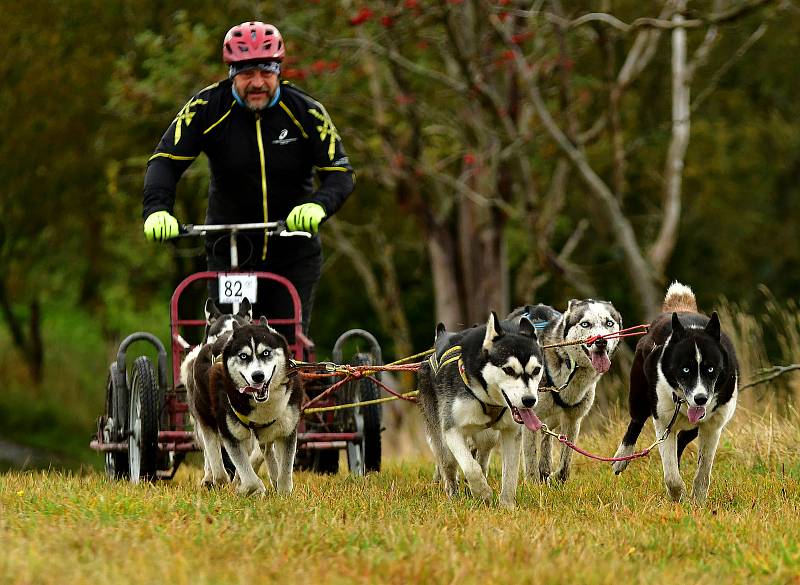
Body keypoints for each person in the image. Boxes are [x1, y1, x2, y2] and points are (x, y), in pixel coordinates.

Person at [142, 21, 355, 337]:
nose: (257, 83)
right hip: (230, 250)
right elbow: (165, 161)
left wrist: (318, 206)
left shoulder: (306, 112)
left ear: (279, 70)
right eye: (246, 74)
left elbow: (340, 173)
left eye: (266, 72)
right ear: (231, 73)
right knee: (230, 342)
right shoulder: (206, 109)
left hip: (293, 251)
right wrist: (157, 209)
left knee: (285, 348)